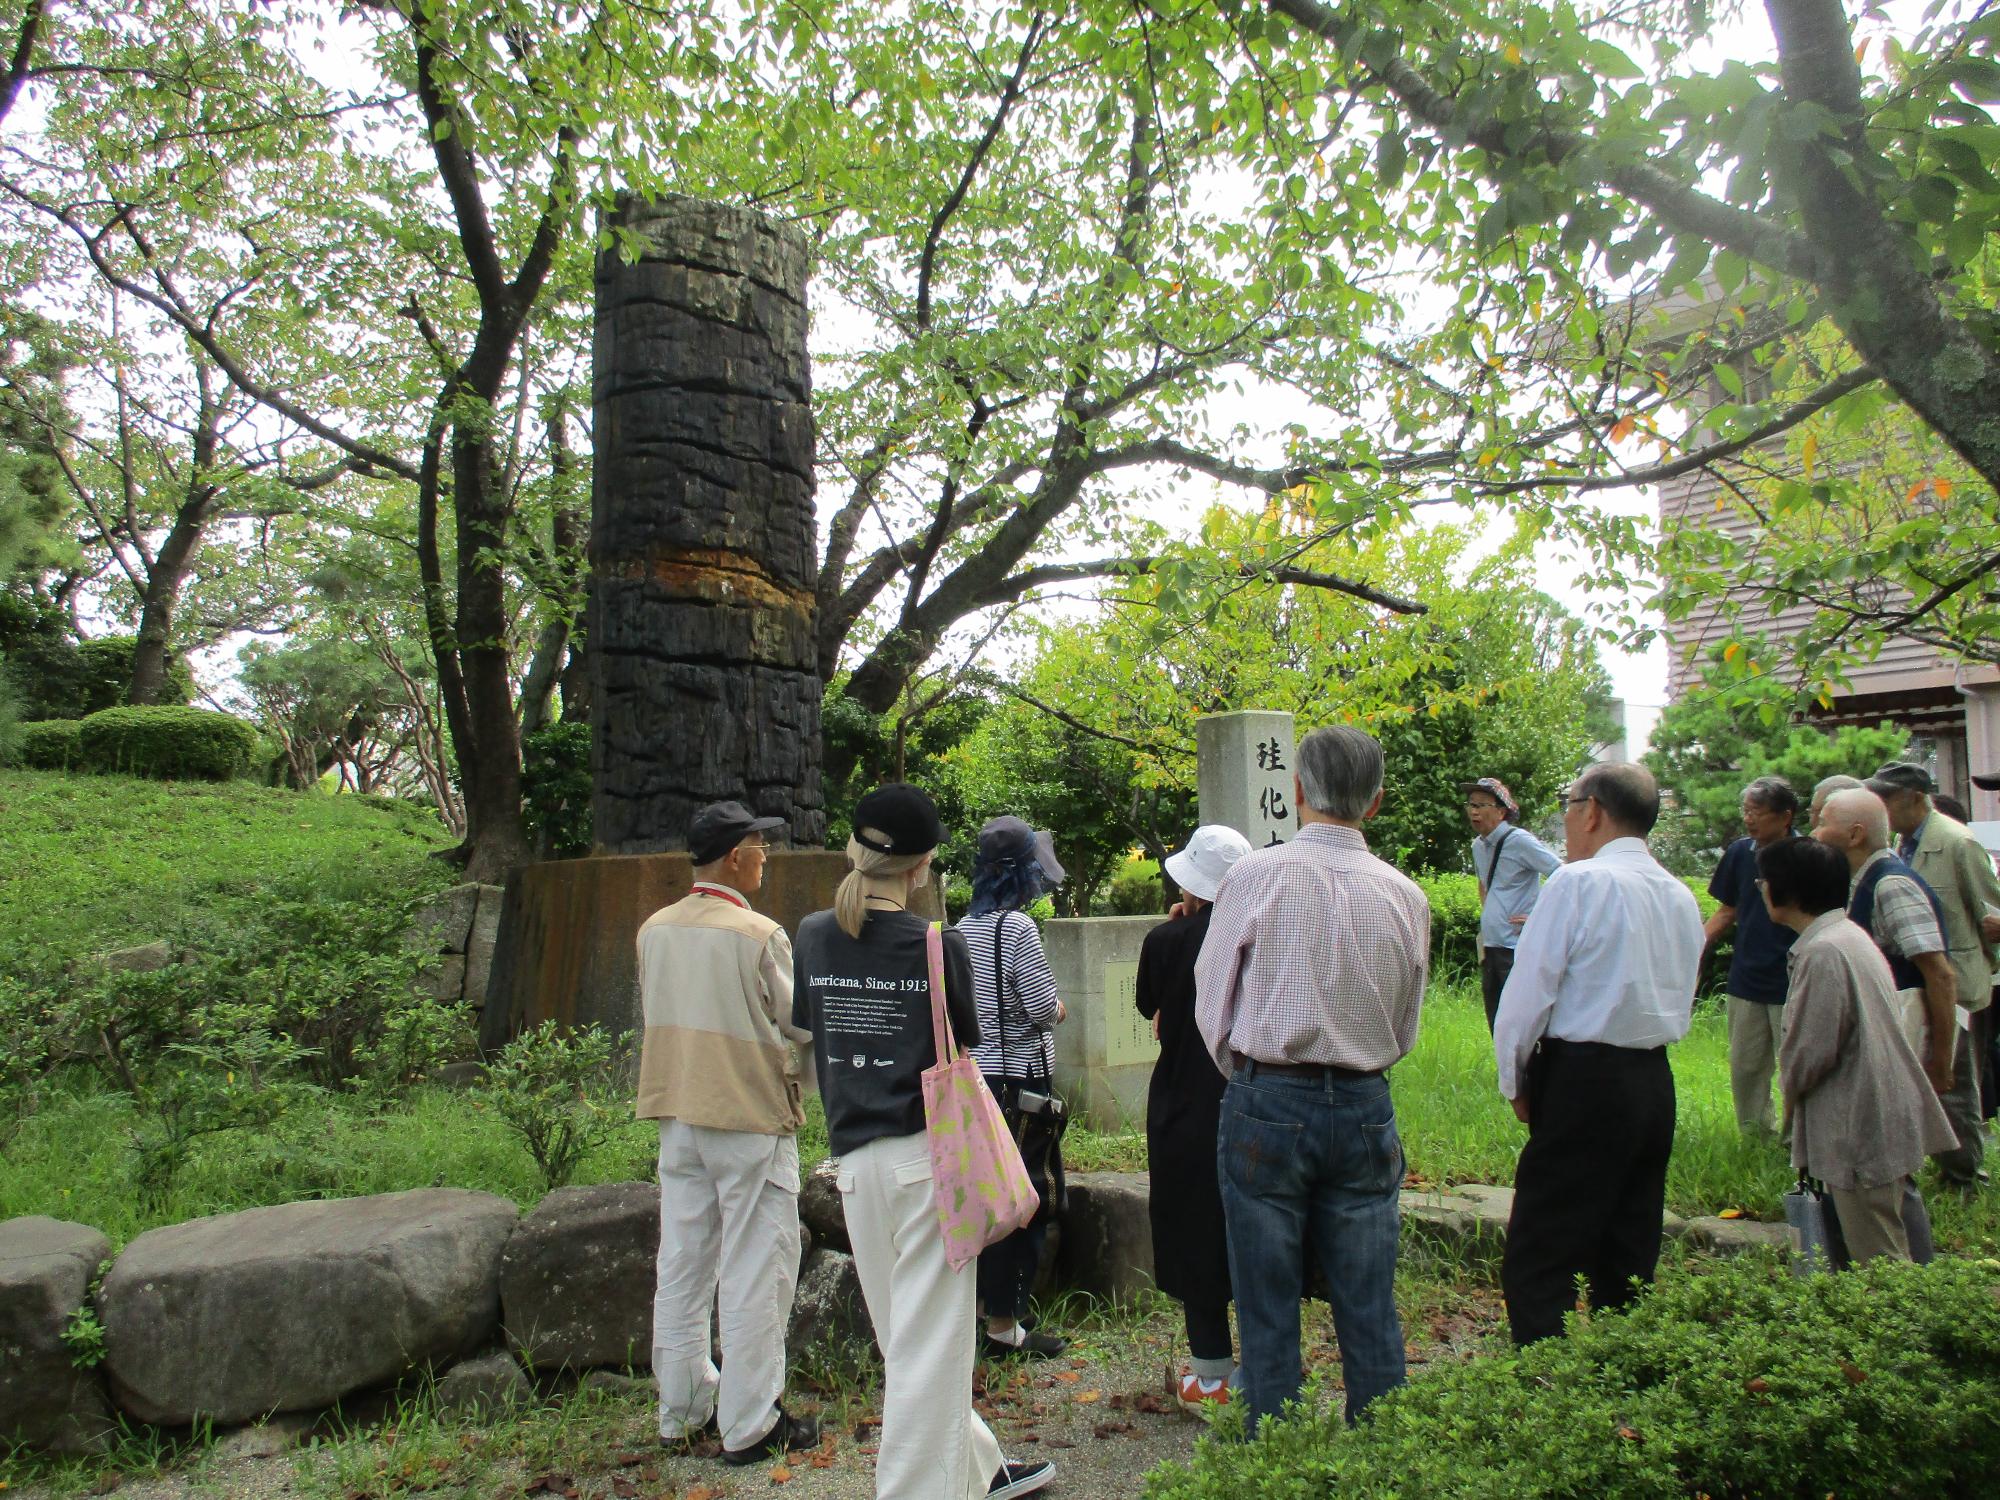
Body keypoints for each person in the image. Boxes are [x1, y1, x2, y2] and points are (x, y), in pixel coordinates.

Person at [791, 784, 1053, 1500]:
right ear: (924, 865)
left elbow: (808, 1032)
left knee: (908, 1345)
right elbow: (967, 1037)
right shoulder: (938, 944)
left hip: (853, 1168)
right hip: (927, 1163)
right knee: (927, 1350)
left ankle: (980, 1469)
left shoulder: (813, 934)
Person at [1194, 725, 1429, 1432]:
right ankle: (1383, 1461)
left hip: (1269, 1097)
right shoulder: (1406, 895)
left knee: (1266, 1306)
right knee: (1369, 1303)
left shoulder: (1255, 876)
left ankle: (1278, 1462)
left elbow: (1213, 996)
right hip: (1364, 1102)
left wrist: (1249, 1074)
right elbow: (1406, 1019)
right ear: (1377, 802)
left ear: (1297, 791)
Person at [1493, 762, 1704, 1347]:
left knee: (1540, 1257)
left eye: (1569, 802)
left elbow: (1525, 999)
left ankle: (1548, 1392)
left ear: (1592, 810)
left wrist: (1516, 1083)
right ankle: (1620, 1385)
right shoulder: (1680, 895)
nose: (1565, 816)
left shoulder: (1579, 883)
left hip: (1584, 1080)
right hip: (1653, 1083)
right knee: (1629, 1253)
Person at [636, 799, 818, 1463]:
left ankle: (681, 1410)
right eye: (760, 846)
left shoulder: (654, 929)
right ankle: (751, 1423)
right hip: (746, 1119)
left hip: (677, 1116)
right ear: (737, 855)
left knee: (682, 1264)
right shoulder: (758, 935)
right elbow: (799, 1026)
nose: (767, 856)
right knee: (756, 1267)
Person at [1759, 836, 1955, 1263]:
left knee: (1878, 1263)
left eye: (1765, 879)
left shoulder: (1824, 950)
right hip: (1878, 1111)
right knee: (1897, 1245)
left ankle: (1903, 1331)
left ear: (1786, 890)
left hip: (1857, 1125)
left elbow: (1810, 1053)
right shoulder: (1846, 935)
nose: (1760, 888)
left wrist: (1787, 1096)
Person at [1136, 824, 1253, 1414]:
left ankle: (1210, 1375)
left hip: (1183, 1105)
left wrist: (1183, 922)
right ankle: (1264, 1370)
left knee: (1193, 1227)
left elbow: (1148, 1004)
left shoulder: (1166, 940)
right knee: (1260, 1234)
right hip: (1254, 1103)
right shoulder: (1262, 935)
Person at [956, 815, 1070, 1360]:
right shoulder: (1017, 930)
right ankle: (1005, 1325)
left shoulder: (959, 928)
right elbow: (1043, 1006)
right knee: (1025, 1199)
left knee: (986, 1198)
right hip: (1021, 1081)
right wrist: (1058, 1010)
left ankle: (982, 1314)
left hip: (977, 1080)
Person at [1868, 761, 2000, 1187]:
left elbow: (1990, 912)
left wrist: (1985, 967)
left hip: (1954, 981)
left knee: (1958, 1082)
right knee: (1924, 1072)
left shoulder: (1957, 841)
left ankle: (1965, 1176)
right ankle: (1937, 1165)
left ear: (1912, 797)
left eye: (1885, 799)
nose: (1880, 808)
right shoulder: (1899, 842)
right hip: (1914, 983)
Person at [1810, 787, 1955, 1091]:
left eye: (1823, 823)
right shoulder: (1863, 879)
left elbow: (1939, 973)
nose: (1815, 833)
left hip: (1906, 1040)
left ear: (1855, 835)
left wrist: (1942, 1061)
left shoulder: (1890, 885)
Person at [1703, 775, 1801, 1138]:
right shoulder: (1739, 853)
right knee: (1746, 1064)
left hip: (1793, 975)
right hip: (1747, 975)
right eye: (1746, 811)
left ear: (1785, 816)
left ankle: (1796, 1139)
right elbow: (1726, 911)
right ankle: (1755, 1134)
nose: (1749, 819)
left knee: (1793, 1064)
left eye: (1757, 812)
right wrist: (1697, 947)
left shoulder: (1806, 854)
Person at [1462, 776, 1562, 1032]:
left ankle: (1529, 1071)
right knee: (1497, 1021)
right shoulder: (1478, 846)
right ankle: (1508, 1072)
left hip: (1516, 947)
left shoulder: (1520, 841)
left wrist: (1539, 917)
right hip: (1491, 946)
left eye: (1481, 805)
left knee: (1522, 1022)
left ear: (1501, 811)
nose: (1473, 811)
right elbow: (1484, 884)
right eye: (1471, 804)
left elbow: (1562, 875)